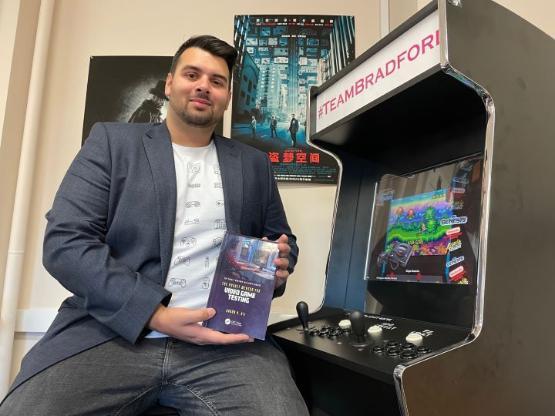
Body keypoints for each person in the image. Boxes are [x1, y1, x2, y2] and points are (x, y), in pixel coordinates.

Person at [0, 35, 308, 416]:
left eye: (217, 81)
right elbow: (66, 242)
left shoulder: (253, 163)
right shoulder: (112, 143)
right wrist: (154, 314)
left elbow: (281, 239)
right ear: (169, 83)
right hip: (111, 333)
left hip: (226, 345)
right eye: (192, 74)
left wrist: (279, 264)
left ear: (227, 96)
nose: (203, 86)